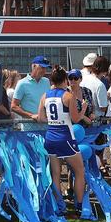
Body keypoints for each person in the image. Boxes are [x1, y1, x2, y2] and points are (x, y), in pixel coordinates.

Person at [37, 66, 86, 210]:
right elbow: (76, 119)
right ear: (65, 80)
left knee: (56, 174)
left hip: (50, 136)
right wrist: (82, 110)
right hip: (65, 136)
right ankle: (79, 206)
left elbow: (40, 118)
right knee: (79, 171)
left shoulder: (45, 95)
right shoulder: (68, 96)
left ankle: (59, 206)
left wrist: (53, 120)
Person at [11, 56, 51, 120]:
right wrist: (31, 116)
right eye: (42, 67)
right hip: (29, 128)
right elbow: (13, 106)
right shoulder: (22, 83)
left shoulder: (47, 81)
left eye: (45, 68)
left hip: (45, 126)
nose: (44, 71)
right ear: (34, 66)